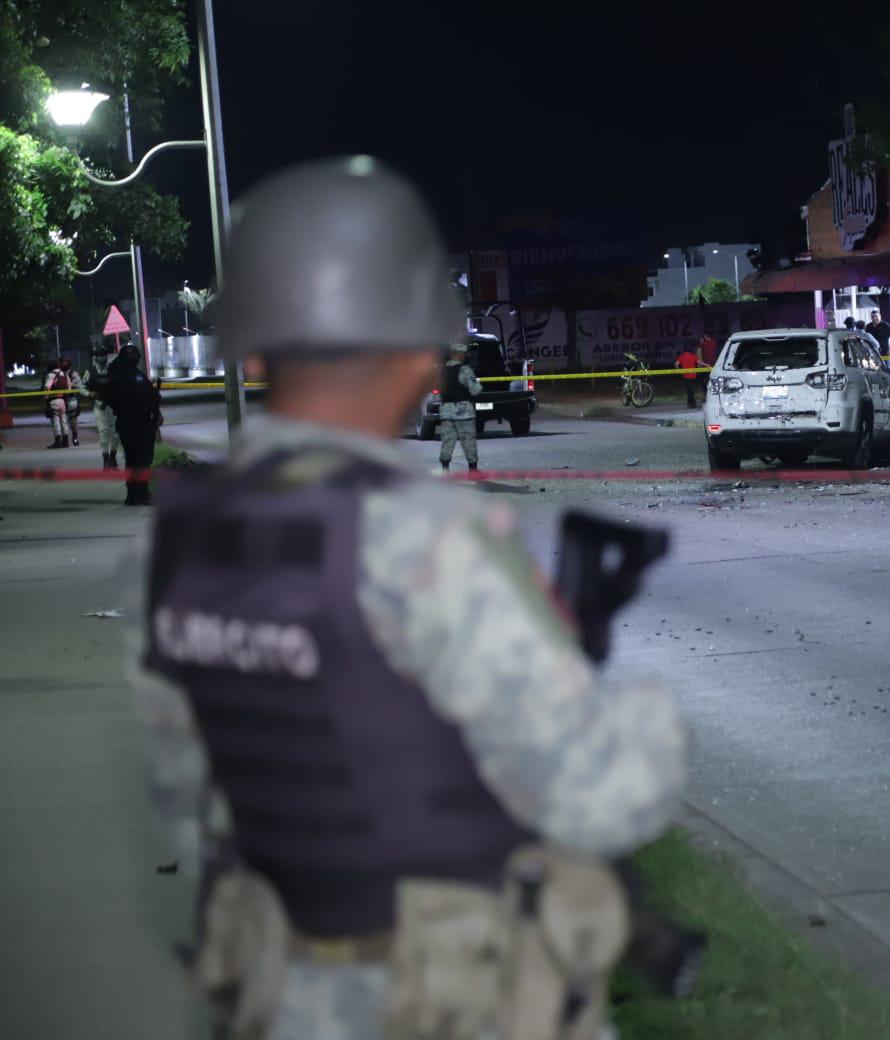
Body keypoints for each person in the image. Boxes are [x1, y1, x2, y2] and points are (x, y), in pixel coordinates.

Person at [124, 157, 687, 1040]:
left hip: (277, 989)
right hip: (447, 996)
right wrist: (640, 713)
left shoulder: (178, 541)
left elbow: (188, 793)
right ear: (423, 350)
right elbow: (601, 798)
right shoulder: (428, 541)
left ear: (255, 346)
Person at [96, 344, 159, 504]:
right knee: (142, 459)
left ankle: (132, 495)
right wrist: (155, 410)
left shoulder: (116, 375)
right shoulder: (135, 377)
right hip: (138, 422)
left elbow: (106, 396)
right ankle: (141, 495)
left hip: (125, 422)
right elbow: (144, 399)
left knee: (132, 460)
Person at [437, 340, 481, 472]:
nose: (466, 356)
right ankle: (473, 471)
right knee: (468, 442)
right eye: (464, 354)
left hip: (446, 412)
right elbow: (475, 390)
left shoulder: (441, 370)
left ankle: (445, 469)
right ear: (459, 354)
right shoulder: (464, 370)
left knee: (447, 442)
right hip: (463, 412)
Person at [84, 346, 121, 468]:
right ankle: (105, 460)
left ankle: (113, 457)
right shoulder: (90, 372)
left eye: (104, 355)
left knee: (116, 433)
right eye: (100, 355)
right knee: (104, 433)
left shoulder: (112, 370)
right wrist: (90, 393)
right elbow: (82, 387)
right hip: (100, 406)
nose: (103, 357)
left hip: (113, 406)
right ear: (95, 357)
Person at [44, 358, 71, 448]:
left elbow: (47, 387)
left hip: (53, 400)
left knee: (55, 422)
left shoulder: (51, 375)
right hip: (63, 400)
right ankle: (66, 442)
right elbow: (69, 388)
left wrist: (46, 398)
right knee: (64, 421)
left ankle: (58, 442)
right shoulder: (64, 374)